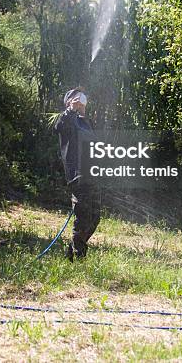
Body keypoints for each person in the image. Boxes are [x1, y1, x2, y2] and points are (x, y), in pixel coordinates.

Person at [54, 87, 101, 261]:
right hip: (79, 177)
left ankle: (72, 250)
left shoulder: (85, 122)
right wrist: (71, 110)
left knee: (94, 219)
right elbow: (58, 126)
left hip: (93, 175)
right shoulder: (67, 121)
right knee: (83, 219)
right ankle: (78, 257)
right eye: (75, 97)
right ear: (69, 102)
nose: (80, 98)